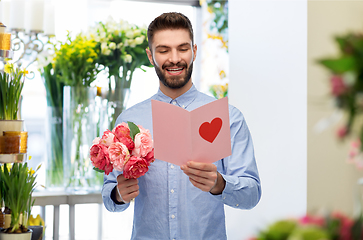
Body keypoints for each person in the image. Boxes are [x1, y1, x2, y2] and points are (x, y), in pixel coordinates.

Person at [102, 12, 261, 240]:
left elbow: (252, 194)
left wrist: (220, 183)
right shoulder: (129, 121)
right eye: (164, 50)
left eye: (183, 48)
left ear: (194, 51)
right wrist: (118, 194)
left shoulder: (228, 117)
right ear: (150, 55)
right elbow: (109, 195)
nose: (174, 58)